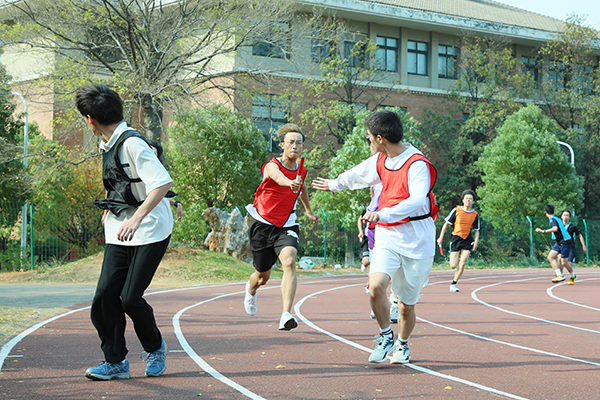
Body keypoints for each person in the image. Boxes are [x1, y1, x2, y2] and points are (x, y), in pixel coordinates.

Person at [313, 110, 437, 365]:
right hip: (387, 236)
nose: (368, 141)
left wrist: (383, 213)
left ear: (380, 139)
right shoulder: (381, 159)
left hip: (416, 240)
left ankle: (402, 345)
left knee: (406, 306)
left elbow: (417, 200)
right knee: (376, 287)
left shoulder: (417, 164)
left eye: (368, 137)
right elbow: (358, 174)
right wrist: (334, 184)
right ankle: (385, 336)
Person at [75, 84, 173, 380]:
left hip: (151, 228)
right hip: (119, 228)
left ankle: (155, 348)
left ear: (90, 119)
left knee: (130, 298)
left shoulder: (132, 143)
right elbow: (122, 181)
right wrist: (112, 205)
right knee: (105, 296)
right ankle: (115, 362)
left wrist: (138, 218)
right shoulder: (107, 143)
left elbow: (162, 183)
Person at [244, 123, 319, 331]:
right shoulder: (272, 166)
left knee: (289, 261)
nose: (295, 146)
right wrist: (289, 183)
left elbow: (303, 187)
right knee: (262, 277)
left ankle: (286, 314)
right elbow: (278, 177)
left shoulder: (302, 171)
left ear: (302, 147)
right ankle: (251, 289)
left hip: (287, 224)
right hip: (263, 223)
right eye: (291, 142)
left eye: (299, 143)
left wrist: (308, 211)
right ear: (282, 145)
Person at [436, 190, 480, 293]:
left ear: (473, 201)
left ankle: (453, 283)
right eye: (466, 198)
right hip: (456, 239)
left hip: (467, 241)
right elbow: (446, 224)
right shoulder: (456, 210)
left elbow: (477, 230)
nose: (468, 200)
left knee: (463, 263)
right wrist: (440, 237)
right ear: (463, 200)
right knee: (453, 265)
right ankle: (456, 255)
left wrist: (476, 241)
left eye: (470, 199)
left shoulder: (475, 214)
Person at [535, 204, 573, 283]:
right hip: (559, 242)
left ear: (545, 212)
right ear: (554, 211)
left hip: (565, 242)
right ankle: (559, 275)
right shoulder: (556, 217)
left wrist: (543, 231)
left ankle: (573, 275)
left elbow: (555, 228)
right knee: (550, 257)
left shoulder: (553, 219)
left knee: (564, 262)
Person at [558, 209, 587, 285]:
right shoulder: (559, 226)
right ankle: (560, 275)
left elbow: (580, 236)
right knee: (559, 259)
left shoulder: (572, 227)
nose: (565, 217)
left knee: (568, 263)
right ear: (561, 216)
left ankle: (572, 276)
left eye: (567, 215)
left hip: (570, 247)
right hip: (562, 246)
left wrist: (584, 246)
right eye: (564, 215)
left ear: (569, 217)